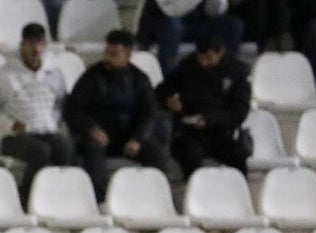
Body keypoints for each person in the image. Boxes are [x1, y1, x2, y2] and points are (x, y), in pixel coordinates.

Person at [64, 29, 169, 203]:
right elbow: (73, 110)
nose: (108, 57)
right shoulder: (92, 76)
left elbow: (149, 113)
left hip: (128, 138)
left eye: (114, 54)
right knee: (92, 152)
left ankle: (153, 200)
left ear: (127, 55)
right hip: (99, 136)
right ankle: (98, 201)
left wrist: (137, 138)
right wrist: (91, 129)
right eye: (107, 52)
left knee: (156, 155)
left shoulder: (139, 79)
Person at [0, 22, 72, 207]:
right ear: (22, 45)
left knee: (66, 147)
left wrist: (52, 123)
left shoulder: (55, 74)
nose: (35, 49)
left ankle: (60, 197)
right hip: (13, 136)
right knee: (40, 152)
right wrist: (11, 124)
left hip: (47, 131)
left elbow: (60, 104)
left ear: (45, 46)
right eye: (31, 43)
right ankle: (26, 198)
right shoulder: (4, 74)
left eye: (39, 43)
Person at [155, 33, 252, 179]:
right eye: (200, 57)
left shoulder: (237, 73)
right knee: (190, 155)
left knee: (238, 156)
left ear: (220, 53)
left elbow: (239, 112)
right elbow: (160, 92)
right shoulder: (187, 67)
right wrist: (168, 102)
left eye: (209, 58)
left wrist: (210, 119)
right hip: (188, 132)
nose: (203, 63)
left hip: (220, 132)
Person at [136, 0, 244, 75]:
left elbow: (213, 12)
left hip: (196, 23)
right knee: (173, 27)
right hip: (163, 23)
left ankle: (225, 74)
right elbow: (172, 11)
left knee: (233, 25)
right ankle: (169, 82)